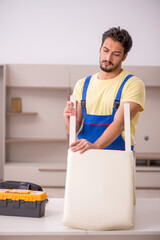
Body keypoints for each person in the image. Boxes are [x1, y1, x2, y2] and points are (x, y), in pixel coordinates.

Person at [63, 27, 145, 154]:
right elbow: (73, 129)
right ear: (100, 48)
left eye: (116, 54)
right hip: (84, 156)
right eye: (105, 50)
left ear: (124, 57)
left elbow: (120, 124)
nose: (108, 58)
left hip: (118, 159)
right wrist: (69, 122)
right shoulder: (82, 84)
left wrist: (95, 147)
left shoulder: (132, 84)